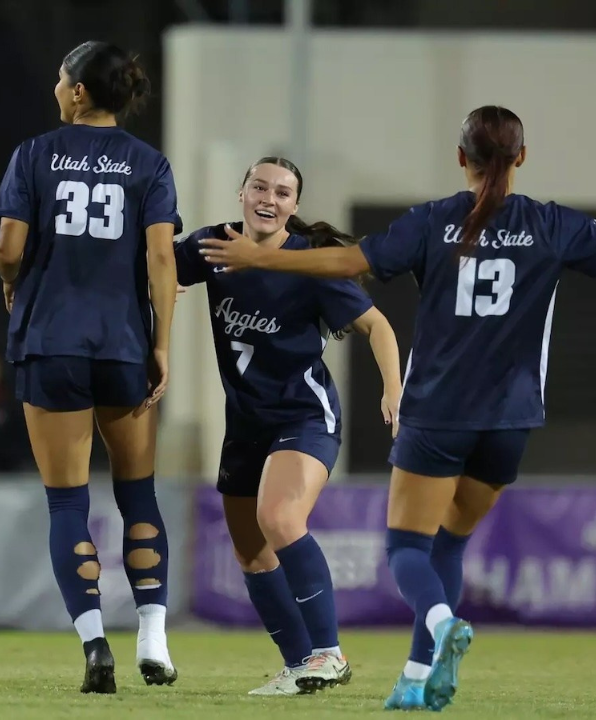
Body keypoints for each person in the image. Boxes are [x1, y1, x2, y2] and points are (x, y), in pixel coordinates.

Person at [197, 105, 596, 711]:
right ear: (522, 158)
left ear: (461, 159)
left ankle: (438, 621)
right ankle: (417, 676)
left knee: (407, 548)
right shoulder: (549, 224)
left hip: (436, 412)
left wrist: (264, 257)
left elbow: (350, 262)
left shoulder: (434, 221)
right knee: (451, 540)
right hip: (510, 420)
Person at [0, 41, 180, 695]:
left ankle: (96, 642)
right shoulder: (149, 164)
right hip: (124, 345)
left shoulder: (35, 155)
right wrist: (161, 344)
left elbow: (9, 246)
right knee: (138, 494)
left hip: (52, 345)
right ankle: (153, 636)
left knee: (68, 503)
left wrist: (13, 286)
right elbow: (162, 260)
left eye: (60, 75)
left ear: (76, 92)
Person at [175, 157, 402, 696]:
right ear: (241, 192)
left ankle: (329, 653)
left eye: (282, 192)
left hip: (304, 416)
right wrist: (160, 280)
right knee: (251, 552)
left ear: (293, 206)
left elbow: (378, 326)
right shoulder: (215, 246)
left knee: (279, 517)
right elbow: (153, 263)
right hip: (246, 424)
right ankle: (301, 664)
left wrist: (394, 387)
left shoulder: (309, 264)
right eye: (259, 186)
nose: (268, 198)